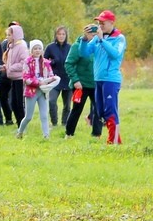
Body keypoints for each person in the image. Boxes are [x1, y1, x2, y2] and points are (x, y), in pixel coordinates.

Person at [79, 10, 125, 144]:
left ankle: (113, 140)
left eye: (102, 23)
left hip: (111, 79)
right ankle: (117, 139)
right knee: (99, 110)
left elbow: (115, 54)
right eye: (98, 23)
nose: (100, 25)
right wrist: (84, 39)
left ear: (111, 23)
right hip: (98, 79)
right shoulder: (97, 38)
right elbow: (84, 53)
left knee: (110, 109)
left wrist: (101, 40)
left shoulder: (119, 38)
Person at [17, 40, 58, 140]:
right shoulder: (27, 62)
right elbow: (26, 78)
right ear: (31, 50)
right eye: (35, 48)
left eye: (39, 48)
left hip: (43, 92)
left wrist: (53, 79)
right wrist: (38, 82)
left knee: (44, 115)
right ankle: (20, 132)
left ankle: (46, 135)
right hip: (31, 92)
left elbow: (50, 74)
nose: (37, 51)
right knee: (28, 116)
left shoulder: (46, 62)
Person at [63, 27, 99, 137]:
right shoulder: (77, 46)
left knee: (98, 109)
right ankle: (69, 133)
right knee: (77, 109)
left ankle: (96, 134)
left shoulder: (97, 46)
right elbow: (68, 64)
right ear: (86, 35)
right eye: (92, 35)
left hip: (95, 83)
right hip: (80, 84)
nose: (94, 38)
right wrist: (75, 80)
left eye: (96, 35)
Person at [43, 26, 72, 127]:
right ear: (56, 35)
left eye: (63, 34)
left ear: (66, 35)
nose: (61, 36)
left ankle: (64, 123)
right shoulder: (50, 47)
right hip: (54, 79)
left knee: (67, 105)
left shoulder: (70, 47)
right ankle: (54, 122)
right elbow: (44, 62)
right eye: (59, 34)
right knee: (52, 101)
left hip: (68, 79)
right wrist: (52, 62)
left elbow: (74, 61)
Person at [1, 23, 28, 128]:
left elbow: (23, 63)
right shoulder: (11, 47)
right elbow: (11, 62)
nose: (7, 37)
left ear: (15, 35)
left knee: (19, 104)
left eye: (9, 35)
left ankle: (22, 126)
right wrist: (5, 66)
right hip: (13, 78)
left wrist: (10, 68)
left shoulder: (21, 46)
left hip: (20, 78)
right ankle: (19, 125)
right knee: (13, 103)